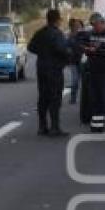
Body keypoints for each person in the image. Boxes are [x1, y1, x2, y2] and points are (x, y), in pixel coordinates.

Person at [27, 8, 71, 136]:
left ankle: (42, 126)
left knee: (43, 97)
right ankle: (54, 127)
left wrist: (42, 53)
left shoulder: (40, 32)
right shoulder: (57, 34)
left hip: (41, 68)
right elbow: (61, 49)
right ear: (57, 20)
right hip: (54, 69)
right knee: (55, 98)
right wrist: (68, 54)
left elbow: (30, 47)